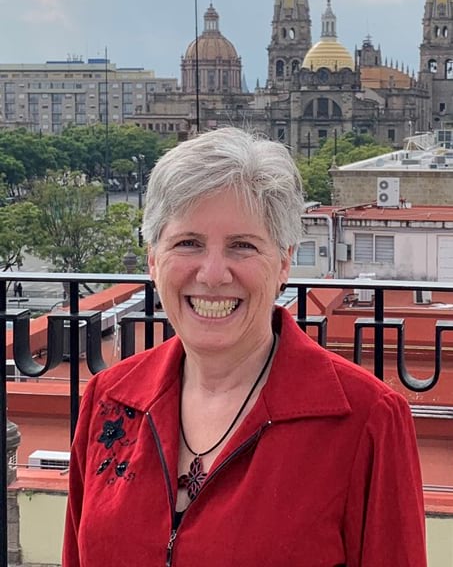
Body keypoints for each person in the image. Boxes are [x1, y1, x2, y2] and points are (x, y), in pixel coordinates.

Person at [63, 128, 427, 566]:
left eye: (243, 246)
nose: (213, 274)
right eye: (188, 243)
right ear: (154, 260)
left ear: (284, 263)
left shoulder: (364, 419)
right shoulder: (109, 399)